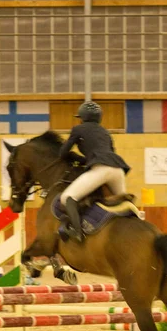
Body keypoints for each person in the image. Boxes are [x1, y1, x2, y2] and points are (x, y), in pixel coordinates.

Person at [59, 101, 130, 242]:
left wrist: (74, 157)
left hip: (101, 170)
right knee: (123, 204)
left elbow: (62, 153)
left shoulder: (78, 129)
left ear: (83, 117)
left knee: (67, 198)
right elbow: (108, 153)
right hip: (118, 170)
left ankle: (78, 233)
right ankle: (136, 219)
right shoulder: (105, 132)